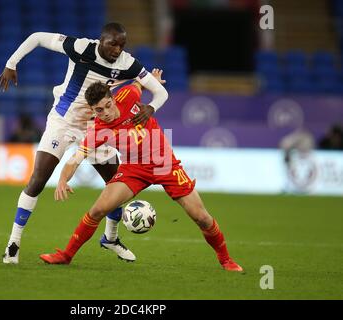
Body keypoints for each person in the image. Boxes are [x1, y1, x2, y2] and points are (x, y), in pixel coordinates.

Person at [0, 23, 169, 264]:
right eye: (113, 44)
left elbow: (160, 92)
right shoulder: (80, 48)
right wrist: (11, 63)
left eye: (122, 45)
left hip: (98, 127)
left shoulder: (128, 63)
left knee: (116, 185)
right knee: (37, 180)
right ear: (101, 40)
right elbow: (36, 37)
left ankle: (110, 238)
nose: (117, 50)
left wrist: (151, 107)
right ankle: (13, 244)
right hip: (64, 122)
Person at [39, 70, 243, 272]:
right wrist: (62, 180)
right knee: (98, 210)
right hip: (133, 168)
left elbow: (140, 83)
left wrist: (153, 80)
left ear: (113, 98)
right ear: (93, 111)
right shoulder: (99, 130)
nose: (106, 112)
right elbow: (74, 160)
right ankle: (66, 255)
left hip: (164, 163)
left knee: (201, 217)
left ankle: (226, 260)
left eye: (107, 105)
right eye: (99, 110)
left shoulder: (128, 95)